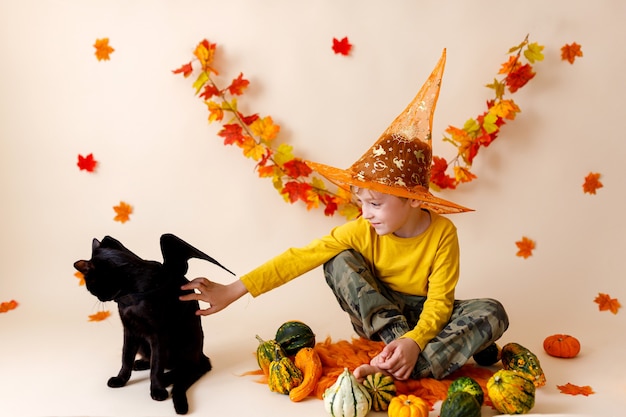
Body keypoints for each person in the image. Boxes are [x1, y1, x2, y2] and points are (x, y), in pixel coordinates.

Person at [180, 50, 509, 381]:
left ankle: (407, 362)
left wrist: (416, 339)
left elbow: (439, 303)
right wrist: (233, 290)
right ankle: (396, 350)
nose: (366, 214)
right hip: (381, 316)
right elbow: (298, 259)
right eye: (361, 203)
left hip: (425, 318)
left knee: (492, 311)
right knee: (337, 260)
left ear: (412, 200)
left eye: (376, 204)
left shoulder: (442, 234)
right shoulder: (360, 230)